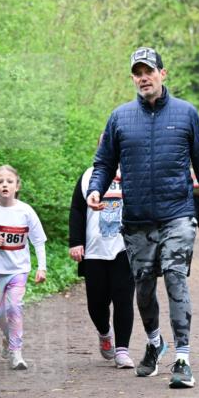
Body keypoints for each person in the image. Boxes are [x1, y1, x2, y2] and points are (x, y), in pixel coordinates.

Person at [87, 46, 199, 389]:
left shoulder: (186, 115)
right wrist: (96, 187)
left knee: (176, 278)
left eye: (148, 71)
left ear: (163, 74)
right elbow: (104, 161)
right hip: (136, 220)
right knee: (145, 288)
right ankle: (155, 343)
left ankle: (182, 358)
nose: (143, 78)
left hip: (177, 215)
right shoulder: (120, 117)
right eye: (137, 73)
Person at [0, 165, 47, 371]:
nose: (5, 184)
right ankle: (8, 337)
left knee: (14, 307)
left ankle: (17, 352)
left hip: (19, 269)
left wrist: (42, 268)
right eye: (0, 181)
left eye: (9, 181)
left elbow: (38, 241)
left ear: (17, 185)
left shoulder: (25, 211)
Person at [69, 135, 136, 369]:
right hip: (94, 249)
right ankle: (104, 332)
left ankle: (122, 351)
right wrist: (76, 242)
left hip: (124, 249)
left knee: (123, 299)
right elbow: (77, 210)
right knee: (96, 303)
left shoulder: (132, 173)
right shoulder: (89, 176)